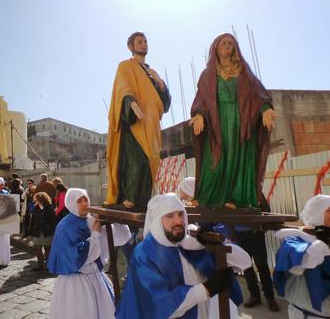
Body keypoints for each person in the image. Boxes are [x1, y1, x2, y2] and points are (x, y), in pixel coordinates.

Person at [116, 193, 252, 319]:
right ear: (157, 221)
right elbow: (161, 305)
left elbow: (245, 261)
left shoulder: (189, 244)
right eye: (170, 216)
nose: (178, 221)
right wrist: (207, 289)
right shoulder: (144, 254)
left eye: (181, 214)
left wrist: (215, 242)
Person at [190, 33, 276, 209]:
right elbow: (202, 99)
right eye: (224, 43)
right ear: (216, 47)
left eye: (231, 43)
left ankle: (236, 198)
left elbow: (257, 94)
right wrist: (198, 114)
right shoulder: (208, 74)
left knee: (239, 159)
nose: (227, 46)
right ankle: (206, 197)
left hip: (240, 122)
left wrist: (265, 109)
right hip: (216, 122)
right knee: (213, 161)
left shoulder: (244, 71)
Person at [106, 32, 171, 210]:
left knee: (150, 162)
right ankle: (130, 196)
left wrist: (161, 84)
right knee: (137, 161)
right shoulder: (125, 66)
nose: (144, 44)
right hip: (134, 122)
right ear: (131, 47)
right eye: (139, 42)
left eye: (145, 41)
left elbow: (164, 104)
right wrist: (130, 101)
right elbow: (122, 85)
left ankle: (144, 200)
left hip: (151, 125)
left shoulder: (151, 73)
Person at [48, 188, 131, 319]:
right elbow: (76, 257)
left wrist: (114, 220)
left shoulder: (92, 219)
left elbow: (120, 238)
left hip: (96, 277)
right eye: (79, 201)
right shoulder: (65, 226)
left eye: (85, 199)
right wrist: (95, 235)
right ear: (71, 203)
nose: (84, 203)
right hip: (76, 282)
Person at [273, 194, 330, 319]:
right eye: (329, 211)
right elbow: (293, 264)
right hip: (308, 314)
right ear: (317, 213)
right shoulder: (297, 239)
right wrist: (311, 251)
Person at [30, 192, 56, 271]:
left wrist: (52, 231)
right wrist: (31, 231)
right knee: (37, 248)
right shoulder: (36, 208)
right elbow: (33, 220)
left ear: (41, 199)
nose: (35, 201)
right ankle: (40, 265)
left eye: (36, 199)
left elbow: (53, 221)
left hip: (47, 232)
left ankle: (48, 265)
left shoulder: (50, 208)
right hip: (37, 231)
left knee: (47, 249)